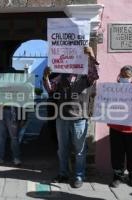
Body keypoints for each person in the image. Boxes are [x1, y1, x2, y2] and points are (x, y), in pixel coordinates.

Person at [43, 46, 99, 188]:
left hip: (79, 118)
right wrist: (45, 77)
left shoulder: (86, 76)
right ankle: (63, 173)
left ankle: (79, 176)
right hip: (62, 118)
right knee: (62, 149)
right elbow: (50, 89)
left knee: (80, 151)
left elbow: (95, 73)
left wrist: (91, 55)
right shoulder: (61, 76)